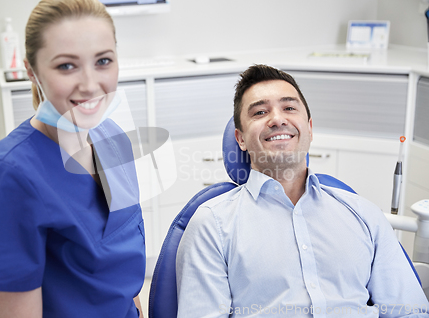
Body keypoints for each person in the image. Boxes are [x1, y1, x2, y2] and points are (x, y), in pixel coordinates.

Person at [176, 64, 429, 317]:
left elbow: (409, 311)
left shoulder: (364, 215)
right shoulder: (212, 225)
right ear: (240, 139)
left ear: (309, 128)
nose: (277, 119)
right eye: (260, 112)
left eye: (289, 108)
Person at [0, 0, 145, 317]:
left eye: (103, 61)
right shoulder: (6, 175)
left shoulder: (115, 141)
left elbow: (125, 282)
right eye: (66, 66)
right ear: (32, 72)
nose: (89, 84)